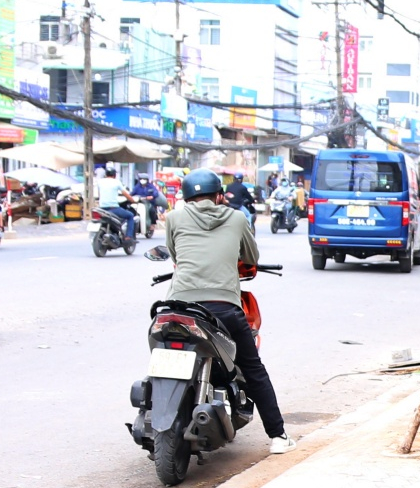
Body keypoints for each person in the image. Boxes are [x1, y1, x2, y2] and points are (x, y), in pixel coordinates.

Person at [163, 169, 296, 456]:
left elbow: (175, 257)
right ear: (219, 196)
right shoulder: (236, 218)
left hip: (178, 306)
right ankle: (278, 436)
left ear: (185, 198)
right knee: (253, 368)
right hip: (222, 307)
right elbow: (251, 257)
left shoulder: (173, 218)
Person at [95, 164, 136, 245]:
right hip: (113, 208)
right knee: (130, 216)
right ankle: (128, 237)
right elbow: (125, 194)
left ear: (106, 174)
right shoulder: (117, 182)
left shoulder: (100, 182)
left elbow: (100, 195)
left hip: (102, 208)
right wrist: (133, 200)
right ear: (114, 175)